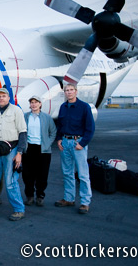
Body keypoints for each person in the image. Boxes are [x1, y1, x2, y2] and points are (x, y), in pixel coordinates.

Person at [0, 87, 27, 221]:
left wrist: (19, 153)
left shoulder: (16, 111)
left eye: (4, 96)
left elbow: (23, 132)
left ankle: (19, 210)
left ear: (9, 98)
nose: (1, 98)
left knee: (10, 181)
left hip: (11, 151)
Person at [54, 84, 95, 214]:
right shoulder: (63, 107)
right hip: (65, 142)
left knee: (83, 174)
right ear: (64, 93)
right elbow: (60, 125)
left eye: (71, 90)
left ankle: (85, 202)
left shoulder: (84, 107)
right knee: (67, 172)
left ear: (76, 92)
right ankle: (69, 198)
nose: (69, 92)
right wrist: (59, 139)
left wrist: (82, 143)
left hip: (78, 143)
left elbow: (90, 128)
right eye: (67, 90)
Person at [23, 95, 57, 207]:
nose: (34, 104)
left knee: (42, 174)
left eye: (36, 102)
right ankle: (29, 196)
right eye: (32, 102)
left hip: (43, 150)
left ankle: (40, 196)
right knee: (28, 174)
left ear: (40, 104)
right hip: (29, 149)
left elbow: (53, 132)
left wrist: (47, 144)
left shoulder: (47, 117)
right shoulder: (25, 117)